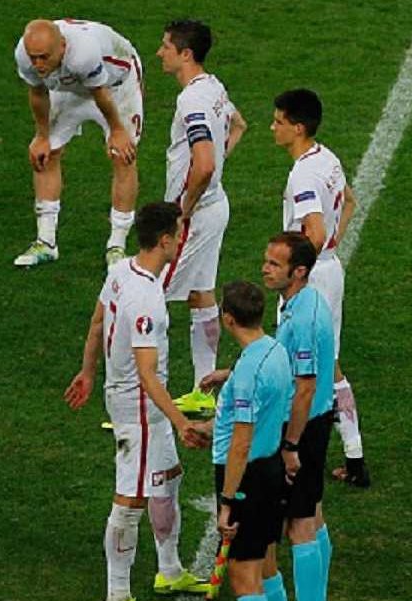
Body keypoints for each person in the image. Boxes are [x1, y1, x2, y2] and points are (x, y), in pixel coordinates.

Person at [63, 202, 209, 601]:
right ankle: (117, 597)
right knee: (131, 498)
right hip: (139, 407)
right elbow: (147, 374)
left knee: (168, 477)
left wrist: (88, 371)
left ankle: (170, 571)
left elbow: (96, 323)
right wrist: (182, 421)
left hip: (129, 397)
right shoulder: (146, 297)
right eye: (178, 232)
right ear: (164, 240)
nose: (181, 238)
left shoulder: (120, 271)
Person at [191, 281, 292, 601]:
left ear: (228, 318)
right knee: (268, 566)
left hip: (246, 478)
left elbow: (241, 442)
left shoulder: (248, 373)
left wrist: (227, 502)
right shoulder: (275, 351)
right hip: (272, 469)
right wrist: (212, 423)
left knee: (244, 576)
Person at [270, 88, 370, 487]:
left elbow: (313, 230)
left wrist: (296, 275)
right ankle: (354, 456)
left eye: (279, 121)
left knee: (298, 368)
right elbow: (350, 202)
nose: (272, 128)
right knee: (329, 363)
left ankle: (290, 451)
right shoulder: (327, 158)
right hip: (330, 270)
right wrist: (332, 244)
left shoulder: (304, 175)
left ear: (298, 127)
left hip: (311, 280)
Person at [155, 19, 248, 415]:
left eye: (166, 46)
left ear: (185, 54)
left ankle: (147, 395)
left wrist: (184, 210)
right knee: (200, 294)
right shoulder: (213, 87)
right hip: (215, 206)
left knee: (149, 296)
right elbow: (238, 125)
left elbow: (204, 164)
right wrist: (214, 171)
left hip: (194, 215)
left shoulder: (191, 100)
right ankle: (203, 391)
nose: (159, 52)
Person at [13, 18, 144, 268]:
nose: (38, 64)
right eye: (34, 58)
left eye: (43, 57)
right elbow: (37, 92)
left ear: (62, 46)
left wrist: (117, 130)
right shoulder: (25, 53)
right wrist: (42, 136)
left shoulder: (83, 53)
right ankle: (46, 242)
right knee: (45, 153)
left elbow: (100, 93)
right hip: (69, 84)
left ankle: (116, 246)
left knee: (122, 155)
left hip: (115, 85)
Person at [262, 233, 337, 601]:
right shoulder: (300, 303)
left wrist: (290, 446)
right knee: (314, 514)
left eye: (275, 264)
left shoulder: (304, 318)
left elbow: (304, 387)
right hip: (314, 422)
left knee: (300, 526)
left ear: (299, 272)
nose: (266, 269)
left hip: (303, 427)